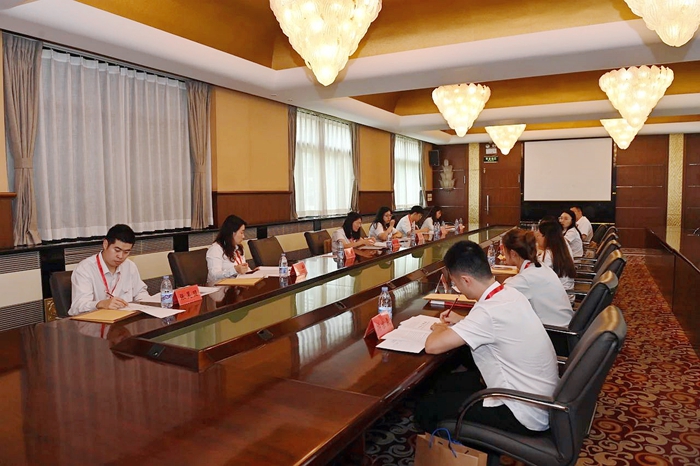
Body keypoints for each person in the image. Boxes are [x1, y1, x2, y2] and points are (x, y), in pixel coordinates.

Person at [416, 240, 559, 435]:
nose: (457, 288)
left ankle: (450, 445)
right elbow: (493, 326)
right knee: (444, 383)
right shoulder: (509, 293)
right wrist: (462, 321)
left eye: (456, 283)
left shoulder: (488, 312)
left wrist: (440, 328)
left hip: (521, 411)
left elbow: (433, 346)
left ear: (466, 280)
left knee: (426, 408)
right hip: (540, 398)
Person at [68, 224, 150, 316]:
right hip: (96, 322)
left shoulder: (130, 266)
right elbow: (77, 307)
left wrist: (146, 304)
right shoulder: (85, 269)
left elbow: (140, 293)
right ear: (105, 244)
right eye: (117, 250)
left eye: (126, 252)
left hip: (125, 319)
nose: (121, 256)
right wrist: (100, 304)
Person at [501, 229, 574, 326]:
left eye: (503, 249)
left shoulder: (527, 278)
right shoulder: (539, 267)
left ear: (513, 254)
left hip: (555, 331)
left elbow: (499, 295)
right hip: (565, 323)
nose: (502, 253)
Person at [206, 214, 250, 284]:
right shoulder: (215, 249)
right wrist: (234, 270)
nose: (243, 236)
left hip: (237, 285)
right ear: (232, 233)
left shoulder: (238, 248)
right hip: (219, 288)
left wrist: (252, 271)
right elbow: (214, 275)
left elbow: (242, 269)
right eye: (241, 232)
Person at [536, 220, 576, 296]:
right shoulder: (561, 249)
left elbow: (539, 277)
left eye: (538, 236)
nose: (537, 239)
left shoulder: (548, 254)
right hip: (566, 294)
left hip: (558, 296)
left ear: (545, 237)